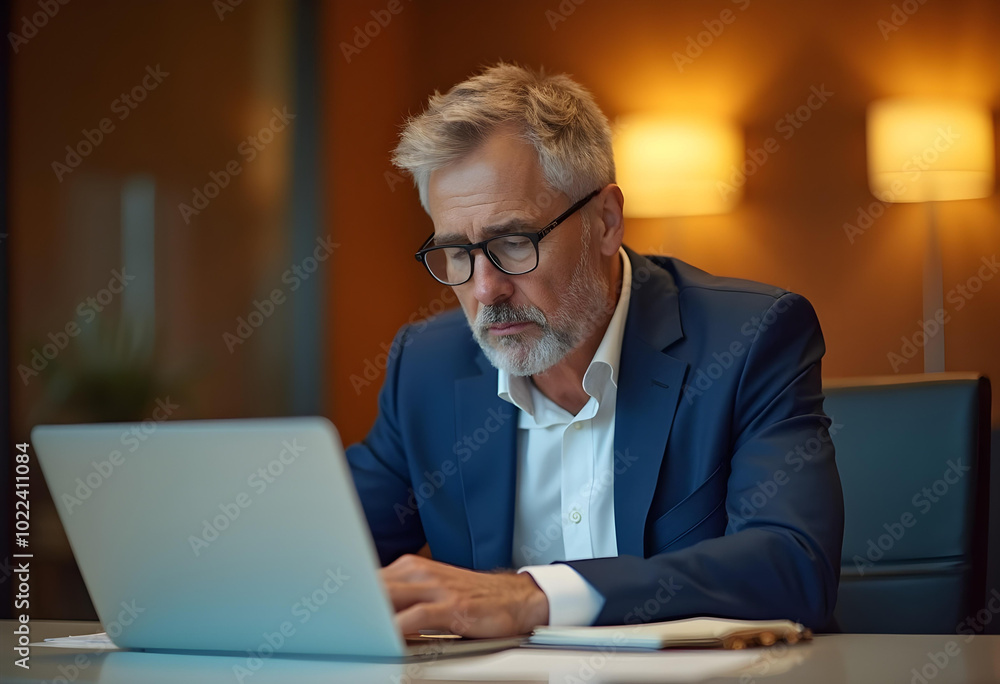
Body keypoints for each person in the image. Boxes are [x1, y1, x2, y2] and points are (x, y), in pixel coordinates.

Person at [346, 63, 844, 638]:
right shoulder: (426, 367)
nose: (485, 290)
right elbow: (322, 560)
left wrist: (535, 597)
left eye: (515, 242)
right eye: (458, 253)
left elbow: (793, 567)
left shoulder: (749, 339)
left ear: (606, 221)